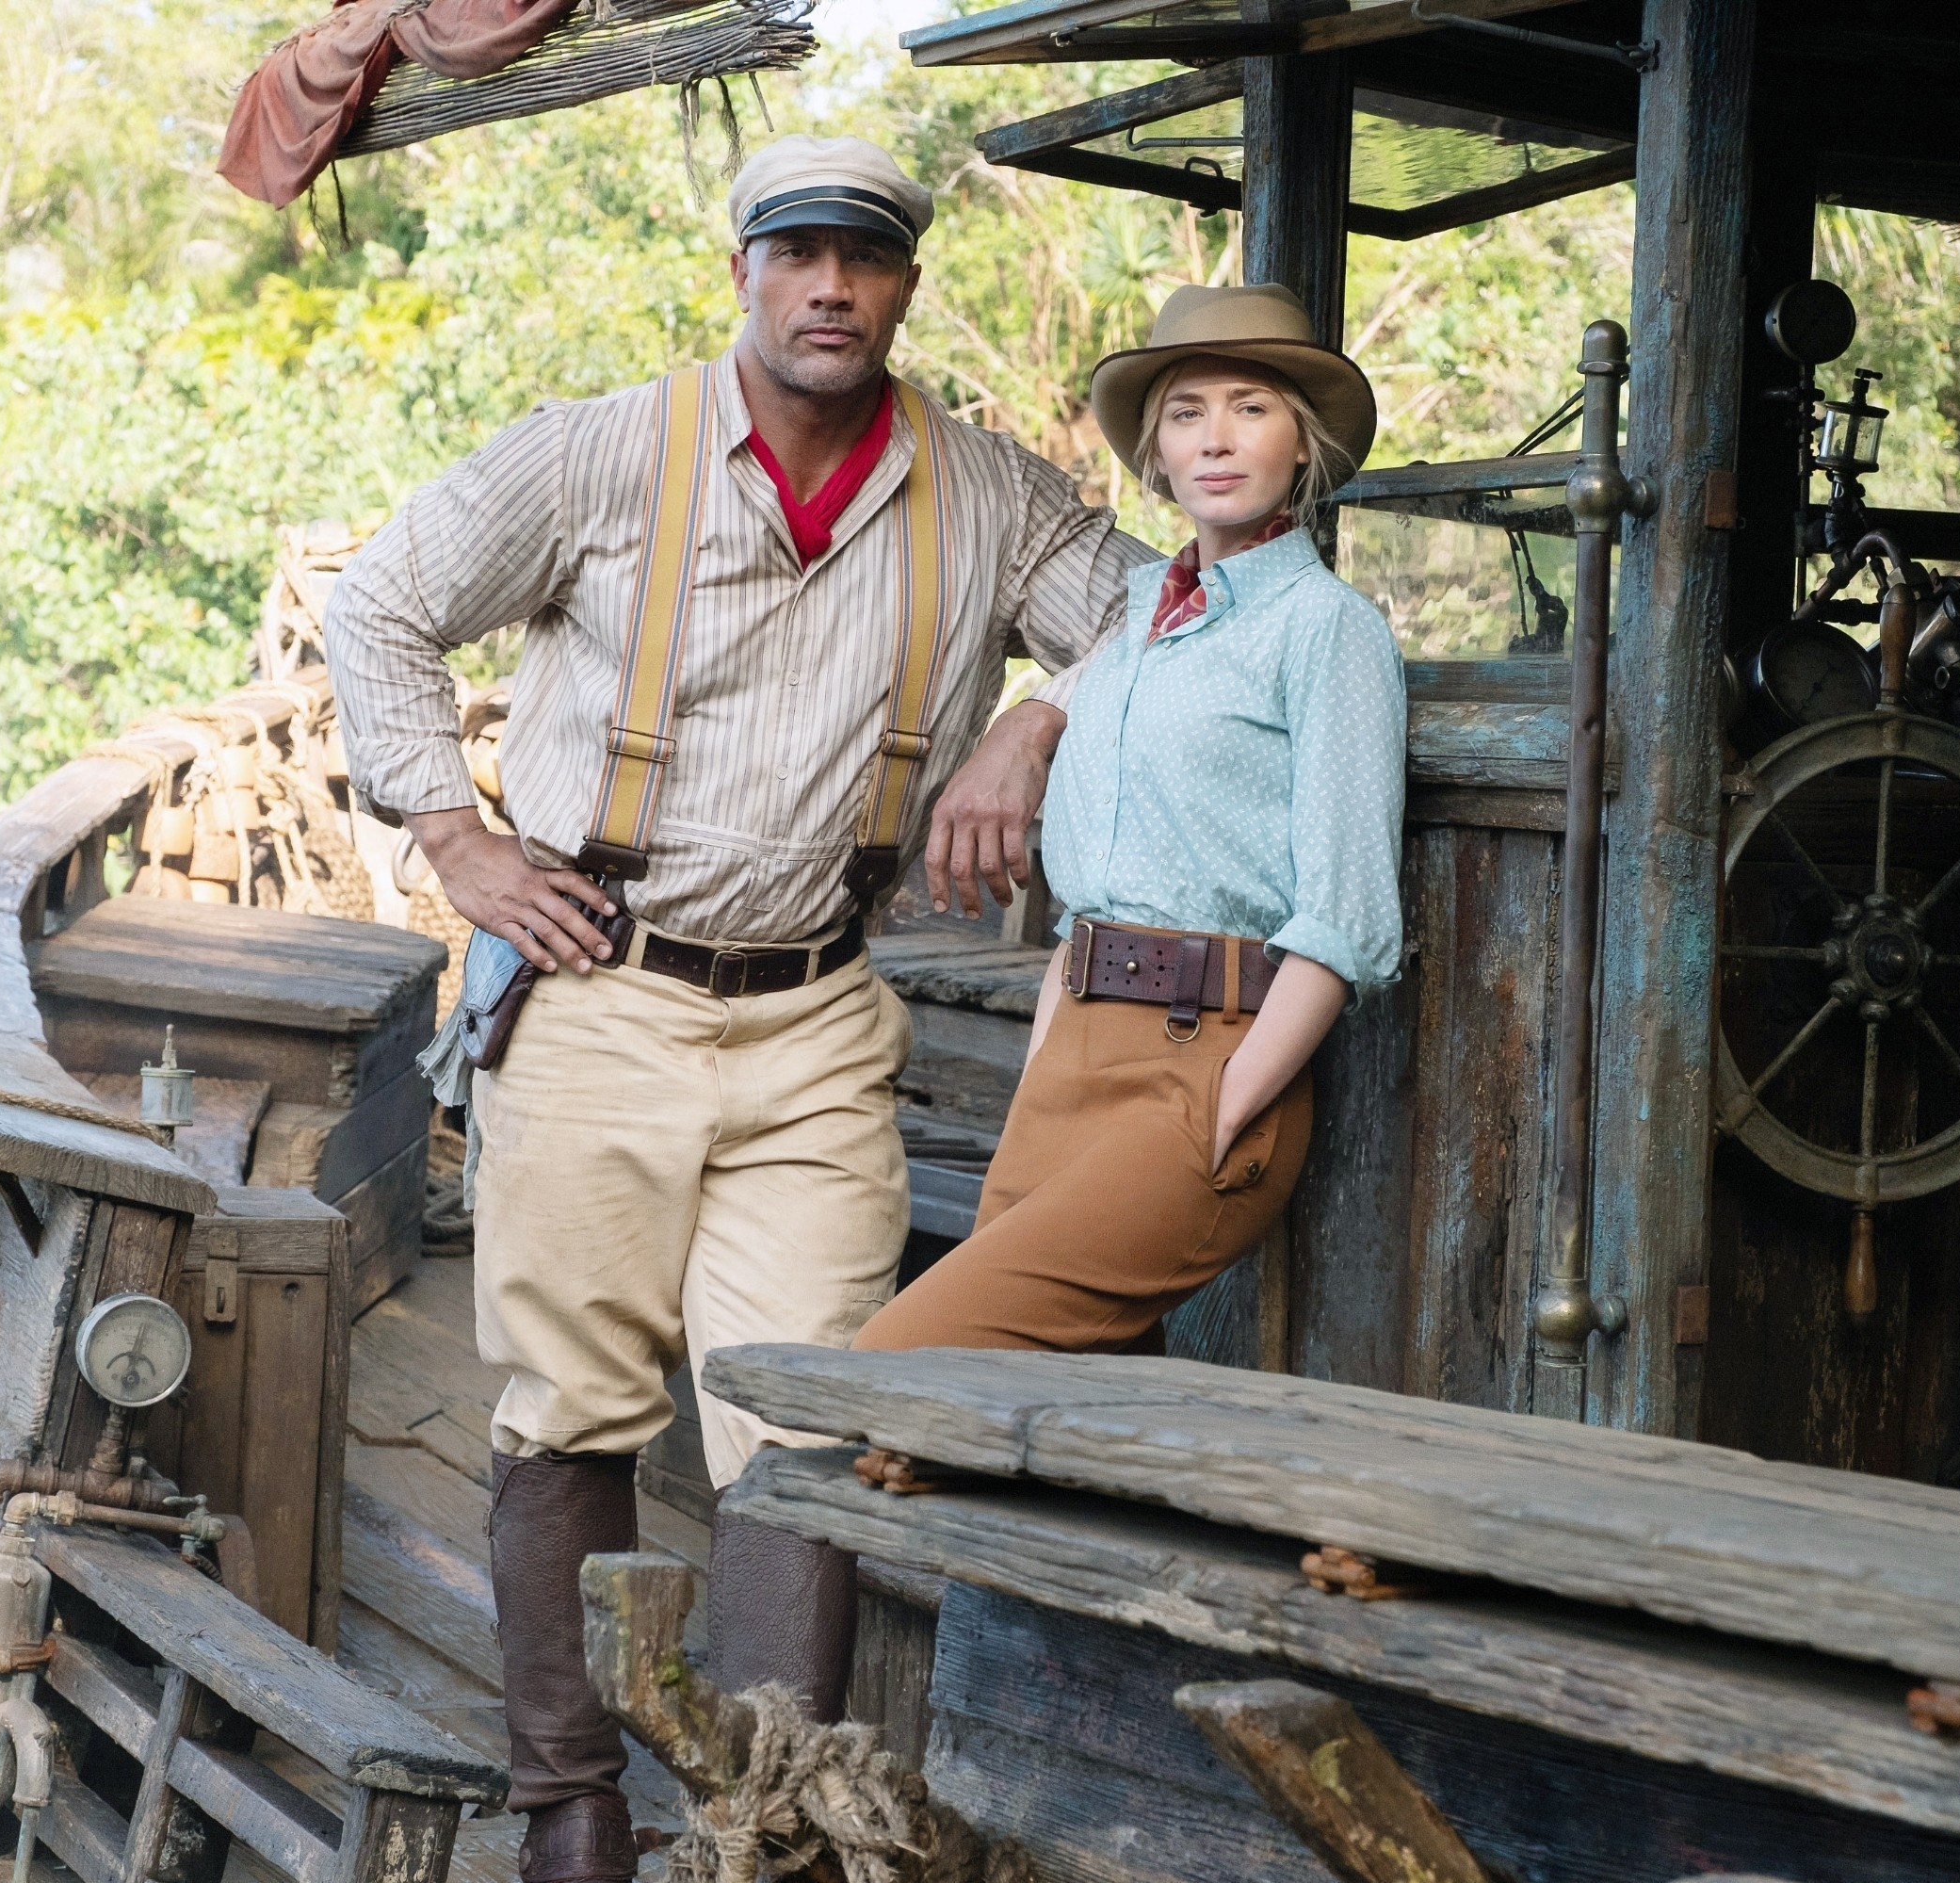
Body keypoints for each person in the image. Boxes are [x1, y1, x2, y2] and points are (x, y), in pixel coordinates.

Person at [323, 135, 1153, 1882]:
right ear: (747, 272)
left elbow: (1169, 611)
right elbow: (385, 604)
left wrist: (1035, 719)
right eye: (800, 254)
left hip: (816, 1017)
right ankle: (571, 1798)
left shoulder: (989, 493)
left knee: (809, 1412)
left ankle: (764, 1818)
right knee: (573, 1398)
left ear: (908, 287)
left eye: (866, 258)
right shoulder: (606, 448)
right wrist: (452, 835)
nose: (832, 287)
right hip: (595, 984)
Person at [859, 283, 1406, 1357]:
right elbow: (1090, 888)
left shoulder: (1328, 631)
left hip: (1210, 1063)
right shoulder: (1135, 623)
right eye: (1187, 411)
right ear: (1155, 450)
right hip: (1071, 1057)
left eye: (1251, 408)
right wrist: (1051, 1052)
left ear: (1303, 442)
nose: (1216, 439)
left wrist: (1229, 1101)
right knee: (1053, 1416)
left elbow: (1344, 916)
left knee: (905, 1367)